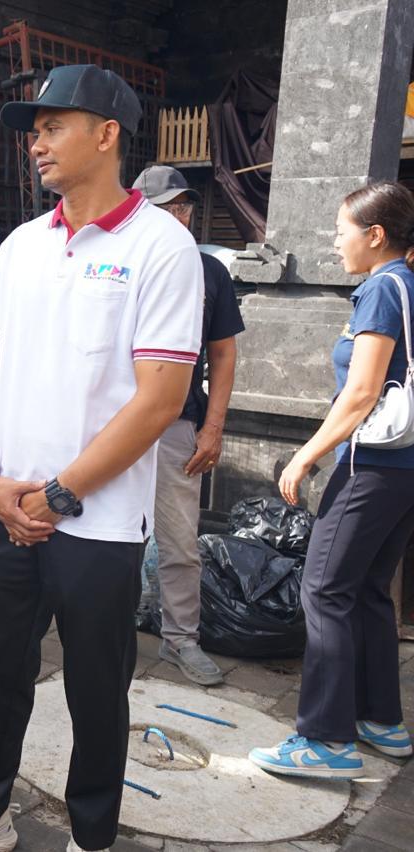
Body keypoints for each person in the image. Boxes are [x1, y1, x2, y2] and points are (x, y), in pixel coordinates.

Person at [0, 65, 202, 852]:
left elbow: (159, 399)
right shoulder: (25, 247)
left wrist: (59, 496)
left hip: (95, 521)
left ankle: (91, 836)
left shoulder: (163, 247)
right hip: (0, 510)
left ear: (107, 135)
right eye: (32, 130)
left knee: (98, 689)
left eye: (52, 125)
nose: (36, 142)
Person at [249, 181, 414, 779]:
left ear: (375, 236)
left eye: (341, 231)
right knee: (369, 589)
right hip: (403, 471)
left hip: (369, 467)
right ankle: (380, 720)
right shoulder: (409, 286)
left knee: (323, 590)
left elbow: (362, 391)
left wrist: (304, 456)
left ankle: (325, 739)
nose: (334, 241)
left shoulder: (380, 291)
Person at [132, 164, 244, 686]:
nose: (179, 215)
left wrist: (214, 425)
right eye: (166, 207)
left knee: (180, 539)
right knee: (99, 532)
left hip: (178, 425)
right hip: (111, 425)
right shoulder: (119, 263)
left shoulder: (209, 272)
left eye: (184, 206)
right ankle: (98, 631)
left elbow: (222, 355)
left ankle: (182, 639)